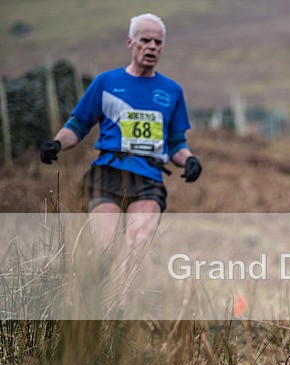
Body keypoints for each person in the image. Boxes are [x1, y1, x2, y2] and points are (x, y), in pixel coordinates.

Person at [39, 13, 201, 255]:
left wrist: (190, 160)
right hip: (108, 173)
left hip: (149, 178)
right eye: (145, 40)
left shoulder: (172, 91)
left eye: (157, 43)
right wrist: (56, 144)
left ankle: (125, 294)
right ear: (130, 42)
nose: (151, 47)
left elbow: (176, 143)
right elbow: (78, 125)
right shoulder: (107, 82)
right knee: (103, 248)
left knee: (136, 247)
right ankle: (97, 291)